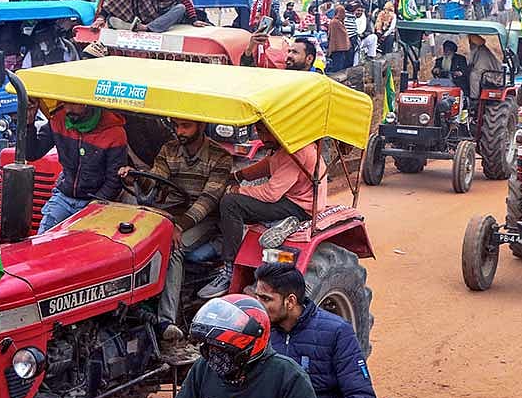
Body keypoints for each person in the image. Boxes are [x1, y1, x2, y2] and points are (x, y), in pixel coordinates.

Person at [117, 118, 232, 356]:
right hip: (171, 213)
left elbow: (207, 202)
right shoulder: (169, 149)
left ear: (200, 127)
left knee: (172, 246)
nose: (180, 132)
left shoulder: (220, 157)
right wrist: (136, 177)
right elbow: (156, 177)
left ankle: (166, 322)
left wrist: (177, 226)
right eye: (177, 126)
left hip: (204, 220)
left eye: (186, 127)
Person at [142, 294, 328, 398]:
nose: (214, 357)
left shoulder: (288, 377)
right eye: (209, 348)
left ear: (251, 348)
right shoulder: (204, 369)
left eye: (223, 350)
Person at [199, 123, 327, 299]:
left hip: (299, 206)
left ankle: (229, 270)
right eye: (261, 131)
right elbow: (268, 165)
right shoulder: (281, 147)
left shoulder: (298, 151)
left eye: (268, 132)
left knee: (230, 203)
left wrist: (237, 190)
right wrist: (237, 176)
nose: (264, 137)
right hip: (290, 198)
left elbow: (271, 193)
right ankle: (273, 224)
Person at [254, 264, 375, 398]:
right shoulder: (258, 331)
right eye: (257, 297)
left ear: (290, 301)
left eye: (266, 299)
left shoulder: (337, 332)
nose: (258, 306)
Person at [27, 101, 127, 232]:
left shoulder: (114, 133)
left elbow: (114, 181)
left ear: (88, 103)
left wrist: (94, 206)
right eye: (64, 103)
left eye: (73, 103)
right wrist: (29, 122)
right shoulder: (59, 119)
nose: (68, 109)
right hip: (64, 196)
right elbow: (32, 153)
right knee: (43, 237)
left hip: (94, 200)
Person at [466, 34, 501, 102]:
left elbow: (479, 68)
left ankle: (473, 99)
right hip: (485, 73)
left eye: (472, 43)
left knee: (474, 75)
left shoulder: (482, 52)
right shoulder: (478, 50)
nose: (470, 45)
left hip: (490, 76)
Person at [326, 5, 351, 72]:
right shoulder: (335, 22)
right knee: (337, 65)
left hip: (341, 48)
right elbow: (333, 35)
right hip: (337, 47)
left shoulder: (339, 22)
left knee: (340, 64)